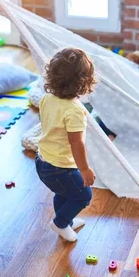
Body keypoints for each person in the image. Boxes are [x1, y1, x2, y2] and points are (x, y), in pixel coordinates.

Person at [36, 48, 96, 242]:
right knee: (83, 195)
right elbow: (76, 143)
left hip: (42, 160)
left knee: (63, 192)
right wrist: (85, 169)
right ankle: (60, 223)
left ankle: (66, 221)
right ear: (83, 83)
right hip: (59, 168)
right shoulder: (75, 111)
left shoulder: (46, 99)